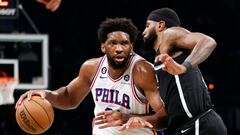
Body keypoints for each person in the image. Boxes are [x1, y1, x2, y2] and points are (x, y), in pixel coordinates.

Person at [15, 17, 167, 135]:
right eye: (113, 43)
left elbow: (165, 118)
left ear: (131, 46)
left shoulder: (142, 71)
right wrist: (46, 95)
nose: (119, 48)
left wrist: (127, 119)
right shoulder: (91, 68)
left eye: (124, 43)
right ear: (103, 46)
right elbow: (69, 97)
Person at [96, 8, 227, 135]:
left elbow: (208, 41)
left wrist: (184, 67)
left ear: (160, 25)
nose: (143, 32)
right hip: (186, 127)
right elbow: (165, 118)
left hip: (198, 124)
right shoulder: (161, 58)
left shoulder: (169, 34)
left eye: (147, 26)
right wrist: (127, 118)